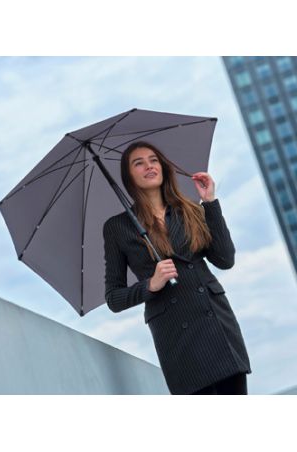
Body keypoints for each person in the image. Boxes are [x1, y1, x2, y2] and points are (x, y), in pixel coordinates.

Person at [103, 140, 252, 395]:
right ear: (129, 176)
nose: (149, 166)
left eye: (153, 160)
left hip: (216, 324)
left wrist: (210, 203)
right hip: (176, 336)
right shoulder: (118, 227)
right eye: (138, 163)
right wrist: (151, 284)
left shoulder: (189, 210)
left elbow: (225, 260)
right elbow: (114, 298)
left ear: (162, 167)